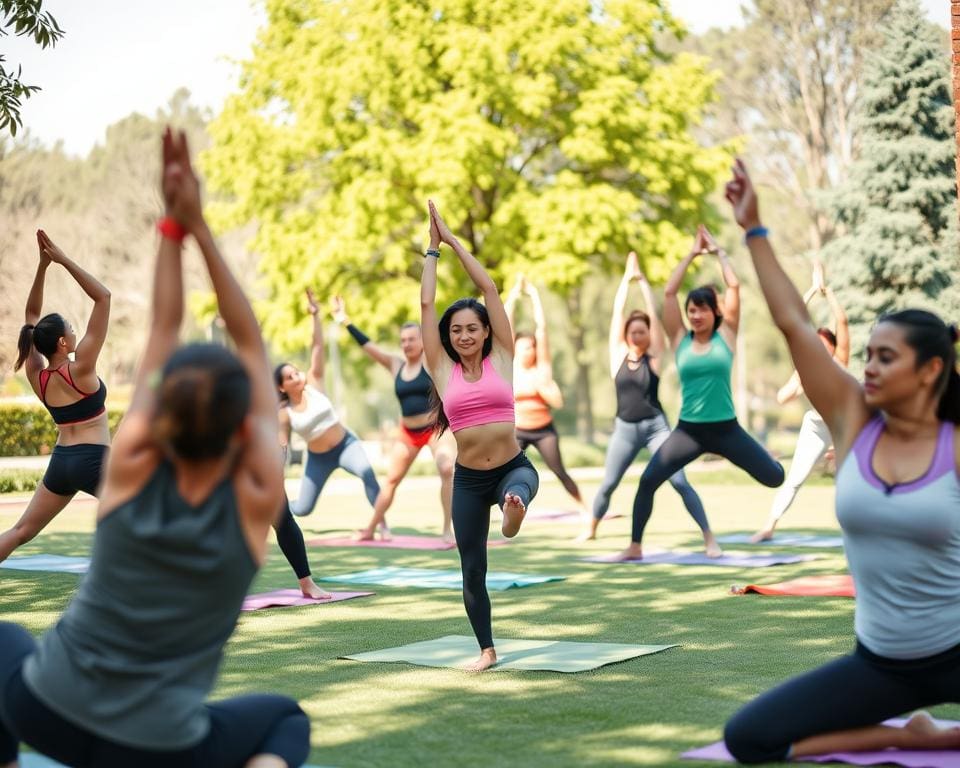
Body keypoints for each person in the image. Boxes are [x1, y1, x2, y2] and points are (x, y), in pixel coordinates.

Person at [0, 128, 310, 768]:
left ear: (161, 417)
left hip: (47, 709)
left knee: (7, 633)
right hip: (160, 746)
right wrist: (196, 226)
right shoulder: (255, 498)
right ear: (245, 427)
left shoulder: (131, 471)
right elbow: (249, 345)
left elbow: (162, 330)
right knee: (283, 717)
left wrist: (174, 226)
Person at [722, 158, 960, 763]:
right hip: (882, 665)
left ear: (931, 370)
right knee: (748, 739)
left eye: (887, 357)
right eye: (869, 355)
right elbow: (794, 324)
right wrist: (754, 229)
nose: (870, 367)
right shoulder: (854, 420)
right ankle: (909, 732)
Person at [421, 200, 539, 672]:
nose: (465, 335)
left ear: (488, 332)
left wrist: (452, 242)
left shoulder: (503, 359)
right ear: (449, 338)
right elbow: (427, 304)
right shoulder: (442, 369)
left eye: (473, 328)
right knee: (472, 570)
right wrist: (431, 253)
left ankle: (513, 514)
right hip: (469, 481)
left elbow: (488, 286)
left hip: (514, 468)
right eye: (457, 330)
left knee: (515, 492)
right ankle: (486, 650)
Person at [620, 225, 784, 560]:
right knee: (648, 480)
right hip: (689, 431)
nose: (694, 315)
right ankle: (635, 547)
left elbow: (734, 285)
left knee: (774, 477)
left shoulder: (728, 336)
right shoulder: (680, 338)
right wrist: (692, 254)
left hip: (726, 429)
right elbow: (668, 293)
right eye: (691, 309)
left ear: (715, 312)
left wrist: (720, 253)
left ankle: (766, 453)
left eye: (701, 309)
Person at [4, 230, 112, 563]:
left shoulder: (38, 377)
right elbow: (103, 297)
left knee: (20, 532)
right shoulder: (81, 370)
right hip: (94, 460)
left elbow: (30, 321)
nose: (76, 333)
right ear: (63, 343)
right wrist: (61, 260)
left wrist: (42, 266)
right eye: (71, 330)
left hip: (63, 462)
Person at [585, 252, 707, 541]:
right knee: (609, 483)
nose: (638, 335)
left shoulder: (654, 358)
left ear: (648, 335)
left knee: (679, 481)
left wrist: (644, 286)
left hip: (656, 428)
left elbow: (656, 317)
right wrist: (626, 282)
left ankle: (707, 534)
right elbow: (617, 316)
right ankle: (589, 529)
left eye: (643, 332)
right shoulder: (617, 356)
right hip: (625, 429)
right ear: (627, 334)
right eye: (633, 331)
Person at [331, 297, 455, 541]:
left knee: (447, 468)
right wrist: (344, 320)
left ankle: (447, 530)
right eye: (403, 340)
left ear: (422, 341)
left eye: (412, 339)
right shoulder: (395, 365)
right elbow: (368, 346)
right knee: (391, 480)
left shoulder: (431, 362)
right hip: (408, 434)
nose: (407, 344)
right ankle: (370, 529)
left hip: (435, 430)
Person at [751, 261, 849, 541]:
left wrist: (826, 291)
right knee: (794, 479)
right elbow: (793, 322)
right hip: (817, 427)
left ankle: (857, 533)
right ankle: (769, 527)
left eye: (824, 344)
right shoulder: (804, 369)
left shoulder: (839, 362)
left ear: (832, 347)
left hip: (843, 426)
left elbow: (840, 322)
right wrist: (808, 290)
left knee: (849, 482)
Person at [274, 290, 383, 534]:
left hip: (346, 445)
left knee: (367, 473)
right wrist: (275, 472)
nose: (298, 376)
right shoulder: (285, 412)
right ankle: (273, 510)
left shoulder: (314, 383)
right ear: (282, 387)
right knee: (302, 508)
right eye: (290, 376)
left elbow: (317, 347)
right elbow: (282, 445)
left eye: (297, 371)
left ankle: (381, 525)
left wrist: (315, 316)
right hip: (318, 459)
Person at [503, 274, 583, 510]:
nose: (529, 350)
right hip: (518, 430)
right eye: (524, 347)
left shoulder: (542, 368)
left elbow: (543, 329)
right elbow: (505, 322)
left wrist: (535, 296)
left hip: (544, 430)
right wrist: (516, 295)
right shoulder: (511, 365)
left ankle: (585, 511)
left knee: (560, 471)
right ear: (516, 348)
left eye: (532, 347)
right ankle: (504, 508)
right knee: (503, 471)